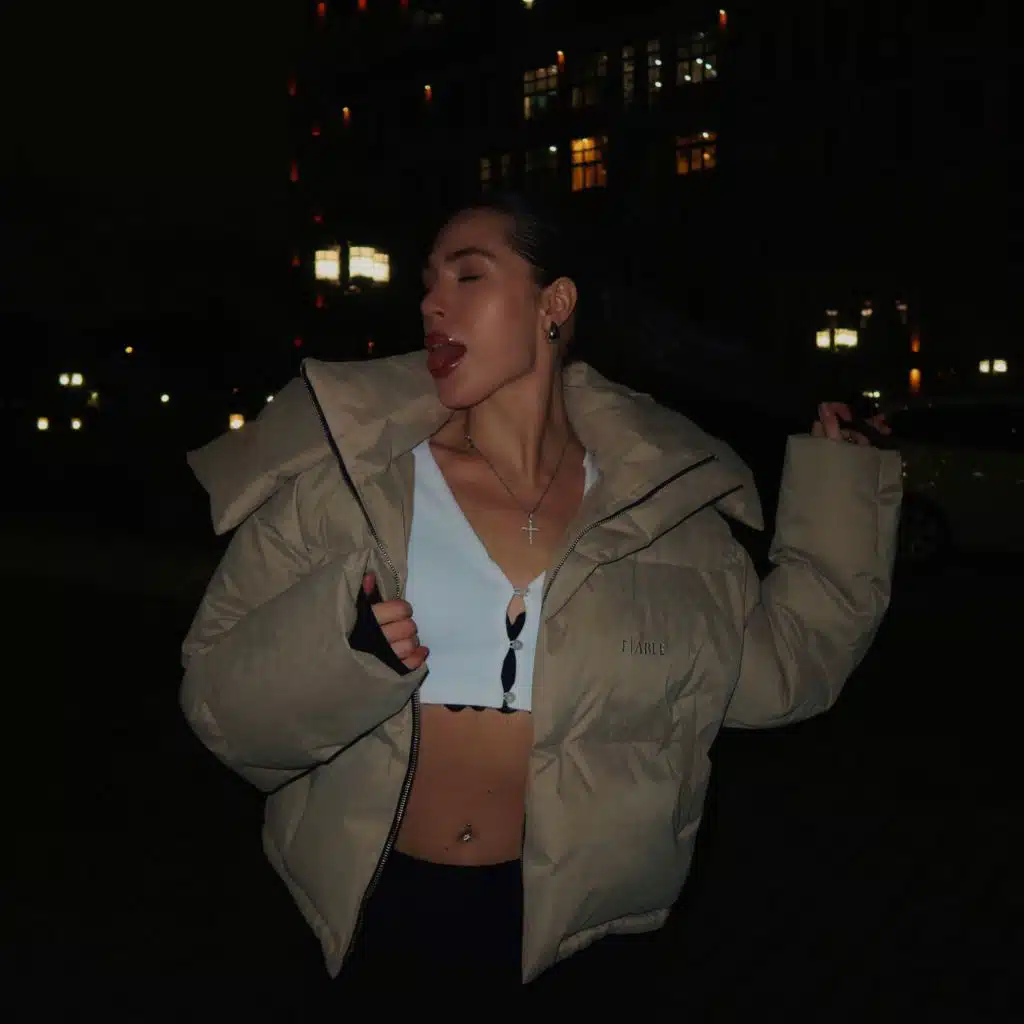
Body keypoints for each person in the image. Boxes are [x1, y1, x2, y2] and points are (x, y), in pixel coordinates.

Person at [180, 191, 901, 1003]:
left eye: (468, 276)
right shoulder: (346, 486)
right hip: (370, 916)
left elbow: (779, 676)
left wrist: (843, 498)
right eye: (428, 283)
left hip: (572, 938)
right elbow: (217, 705)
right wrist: (339, 653)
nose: (432, 303)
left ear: (553, 304)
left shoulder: (661, 512)